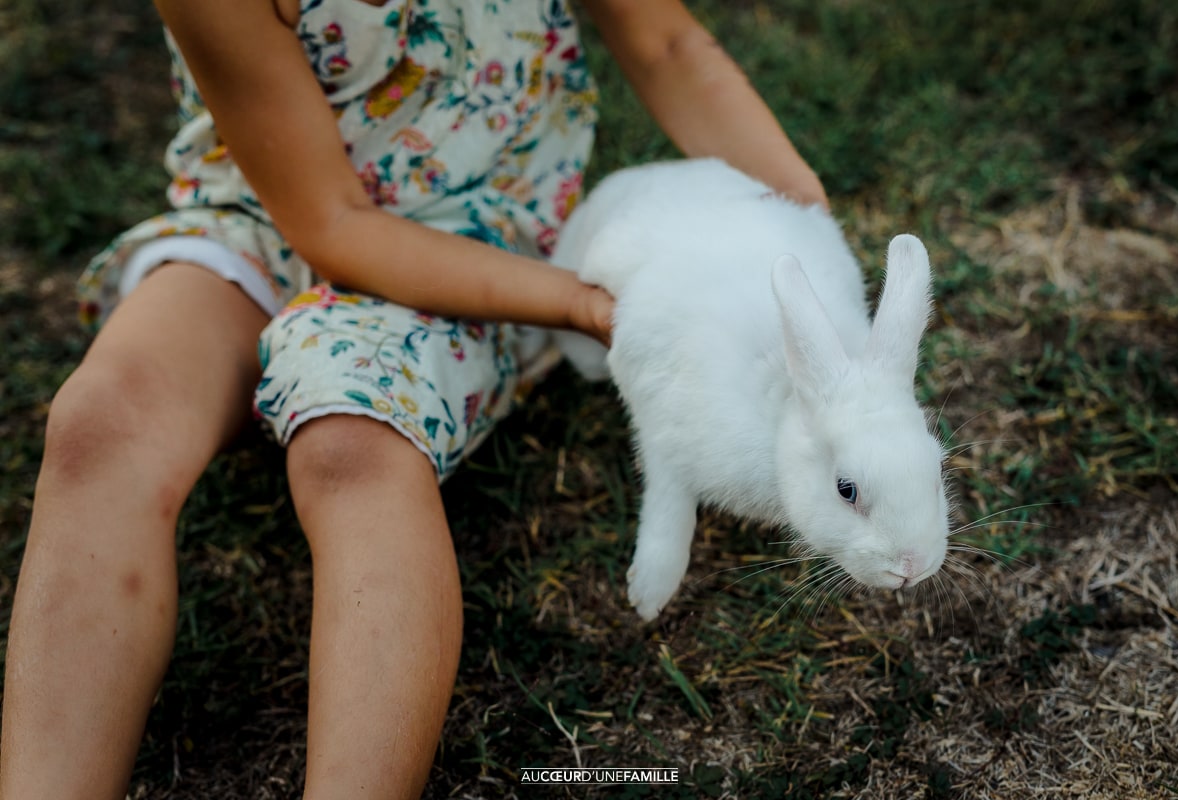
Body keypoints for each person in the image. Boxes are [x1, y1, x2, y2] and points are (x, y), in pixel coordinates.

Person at [0, 1, 828, 797]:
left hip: (475, 254)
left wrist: (808, 235)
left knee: (351, 442)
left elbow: (668, 46)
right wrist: (584, 307)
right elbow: (329, 220)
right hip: (269, 213)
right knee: (101, 425)